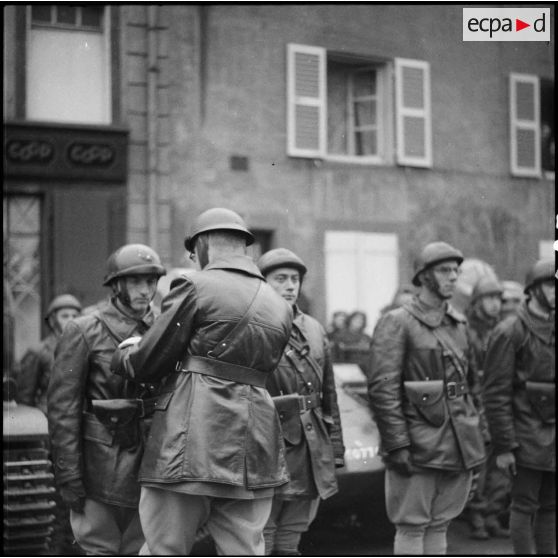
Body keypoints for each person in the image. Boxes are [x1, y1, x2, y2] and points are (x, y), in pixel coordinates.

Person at [110, 208, 293, 555]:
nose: (193, 261)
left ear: (203, 245)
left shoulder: (195, 285)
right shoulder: (279, 304)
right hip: (254, 448)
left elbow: (150, 359)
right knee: (245, 550)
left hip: (190, 440)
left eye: (193, 254)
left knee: (165, 547)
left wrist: (125, 355)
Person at [367, 241, 486, 555]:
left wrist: (478, 434)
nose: (453, 277)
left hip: (459, 440)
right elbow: (383, 389)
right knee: (411, 525)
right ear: (424, 275)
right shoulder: (398, 322)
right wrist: (397, 443)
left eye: (455, 271)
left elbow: (473, 387)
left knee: (441, 523)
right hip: (418, 443)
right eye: (445, 270)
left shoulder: (459, 324)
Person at [47, 243, 166, 556]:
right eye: (136, 282)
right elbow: (63, 410)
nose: (146, 290)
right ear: (117, 286)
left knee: (143, 549)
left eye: (151, 282)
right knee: (100, 548)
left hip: (151, 465)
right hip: (99, 468)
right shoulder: (84, 330)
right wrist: (69, 474)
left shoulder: (163, 330)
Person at [257, 248, 345, 556]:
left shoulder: (314, 328)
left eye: (295, 279)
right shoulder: (252, 326)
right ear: (263, 282)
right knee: (262, 529)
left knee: (294, 531)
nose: (290, 286)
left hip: (310, 442)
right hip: (267, 442)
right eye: (280, 279)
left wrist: (335, 449)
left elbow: (329, 396)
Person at [483, 258, 555, 555]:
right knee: (524, 506)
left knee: (551, 507)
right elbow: (496, 394)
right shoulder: (510, 331)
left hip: (552, 436)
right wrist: (504, 446)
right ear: (534, 288)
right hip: (524, 437)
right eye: (551, 285)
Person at [463, 277, 511, 540]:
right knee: (479, 466)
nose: (494, 304)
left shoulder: (503, 329)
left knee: (501, 465)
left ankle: (492, 515)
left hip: (500, 403)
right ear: (477, 302)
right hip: (477, 403)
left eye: (497, 299)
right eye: (489, 298)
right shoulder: (467, 331)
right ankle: (477, 517)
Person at [18, 294, 82, 414]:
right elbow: (25, 398)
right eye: (65, 316)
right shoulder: (38, 351)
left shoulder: (85, 349)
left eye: (75, 316)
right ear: (53, 321)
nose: (71, 319)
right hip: (48, 417)